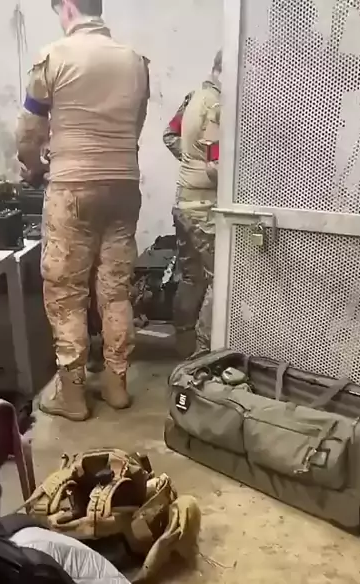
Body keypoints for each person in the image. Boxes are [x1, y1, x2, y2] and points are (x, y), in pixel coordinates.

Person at [16, 0, 150, 421]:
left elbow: (29, 133)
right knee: (116, 289)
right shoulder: (135, 62)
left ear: (69, 6)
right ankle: (117, 384)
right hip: (124, 185)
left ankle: (72, 395)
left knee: (65, 290)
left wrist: (34, 167)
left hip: (73, 186)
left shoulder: (53, 57)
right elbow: (136, 125)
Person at [166, 52, 222, 357]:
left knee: (192, 278)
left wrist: (190, 160)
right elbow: (216, 167)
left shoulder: (194, 98)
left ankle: (183, 345)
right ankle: (203, 352)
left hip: (184, 202)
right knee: (220, 280)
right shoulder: (218, 105)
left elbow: (170, 135)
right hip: (205, 209)